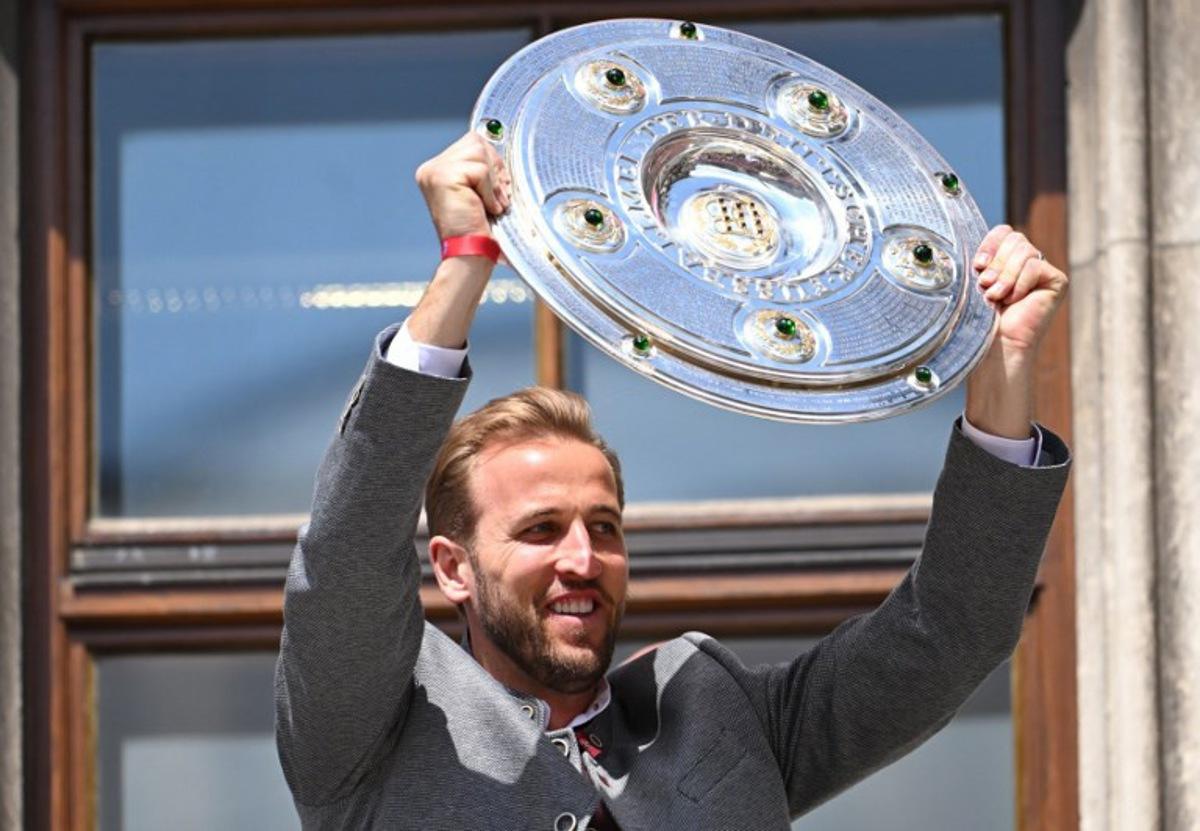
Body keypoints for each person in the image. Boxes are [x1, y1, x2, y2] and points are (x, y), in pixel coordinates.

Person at [274, 132, 1071, 830]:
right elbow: (346, 555)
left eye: (605, 526)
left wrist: (1000, 369)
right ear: (452, 566)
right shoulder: (371, 729)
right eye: (540, 529)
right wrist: (465, 266)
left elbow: (953, 629)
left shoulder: (713, 711)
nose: (583, 559)